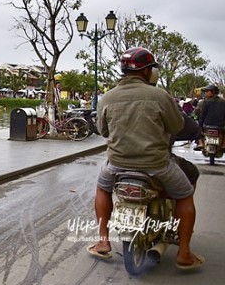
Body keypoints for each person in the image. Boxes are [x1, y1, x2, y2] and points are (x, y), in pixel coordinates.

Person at [89, 47, 203, 269]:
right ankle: (184, 253)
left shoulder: (107, 97)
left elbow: (103, 131)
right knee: (185, 195)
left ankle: (103, 240)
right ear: (147, 72)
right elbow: (177, 126)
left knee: (103, 190)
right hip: (158, 166)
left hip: (117, 165)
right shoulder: (160, 96)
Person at [194, 84, 225, 152]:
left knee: (198, 129)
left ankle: (201, 143)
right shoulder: (223, 101)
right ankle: (223, 145)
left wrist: (200, 124)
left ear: (213, 92)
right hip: (221, 125)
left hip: (207, 124)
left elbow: (203, 114)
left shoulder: (205, 102)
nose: (205, 93)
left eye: (207, 91)